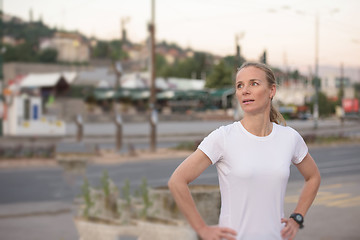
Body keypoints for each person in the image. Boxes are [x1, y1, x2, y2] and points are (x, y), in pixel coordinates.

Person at [168, 62, 321, 240]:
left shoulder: (290, 137)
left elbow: (313, 177)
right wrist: (202, 229)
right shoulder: (223, 137)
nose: (245, 90)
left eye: (254, 83)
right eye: (240, 85)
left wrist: (297, 218)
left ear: (272, 91)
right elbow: (177, 181)